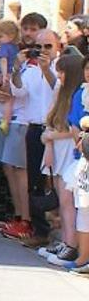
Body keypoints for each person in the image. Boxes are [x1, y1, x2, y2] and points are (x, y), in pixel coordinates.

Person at [0, 28, 58, 243]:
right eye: (38, 47)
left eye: (48, 46)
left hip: (54, 130)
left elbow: (57, 87)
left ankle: (58, 232)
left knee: (58, 182)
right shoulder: (30, 69)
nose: (42, 51)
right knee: (35, 182)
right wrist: (17, 69)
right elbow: (19, 92)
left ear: (58, 47)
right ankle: (39, 231)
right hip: (33, 129)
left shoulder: (60, 67)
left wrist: (46, 68)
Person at [35, 54, 86, 264]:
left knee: (68, 201)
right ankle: (66, 241)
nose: (59, 75)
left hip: (70, 150)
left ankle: (72, 245)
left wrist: (52, 137)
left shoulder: (79, 93)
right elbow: (51, 122)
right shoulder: (64, 92)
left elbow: (72, 128)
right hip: (57, 149)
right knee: (62, 199)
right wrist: (48, 141)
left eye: (63, 71)